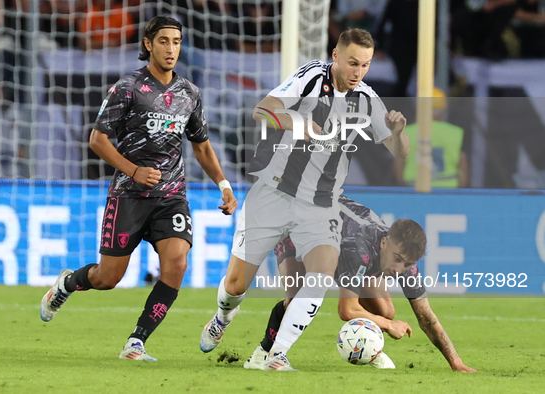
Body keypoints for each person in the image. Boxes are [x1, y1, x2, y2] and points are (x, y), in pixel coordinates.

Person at [199, 28, 410, 371]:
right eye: (353, 62)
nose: (359, 72)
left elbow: (400, 153)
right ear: (336, 56)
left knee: (321, 274)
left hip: (320, 204)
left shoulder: (368, 100)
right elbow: (262, 110)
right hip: (274, 192)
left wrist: (399, 134)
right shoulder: (310, 77)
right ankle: (223, 316)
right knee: (236, 284)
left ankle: (277, 355)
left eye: (366, 65)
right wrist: (297, 121)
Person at [39, 16, 237, 361]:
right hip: (128, 195)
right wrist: (133, 170)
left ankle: (137, 341)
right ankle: (68, 284)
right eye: (164, 41)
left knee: (176, 263)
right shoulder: (127, 88)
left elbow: (202, 145)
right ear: (148, 44)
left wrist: (224, 185)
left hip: (171, 197)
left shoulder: (189, 93)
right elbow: (98, 140)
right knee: (107, 277)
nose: (171, 48)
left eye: (176, 41)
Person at [244, 196, 478, 373]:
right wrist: (388, 325)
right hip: (298, 228)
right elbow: (347, 310)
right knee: (297, 297)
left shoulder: (403, 261)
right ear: (385, 243)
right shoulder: (359, 249)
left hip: (336, 238)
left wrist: (456, 362)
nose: (399, 269)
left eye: (406, 264)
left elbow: (426, 316)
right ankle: (263, 354)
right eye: (397, 259)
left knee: (385, 308)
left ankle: (370, 349)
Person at [394, 88, 470, 188]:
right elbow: (463, 167)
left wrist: (404, 186)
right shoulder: (455, 133)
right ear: (443, 110)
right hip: (448, 189)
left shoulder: (406, 132)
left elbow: (399, 165)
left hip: (414, 188)